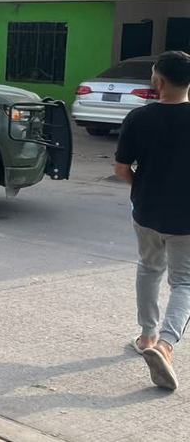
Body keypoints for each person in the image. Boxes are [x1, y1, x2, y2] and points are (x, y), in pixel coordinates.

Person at [114, 50, 190, 391]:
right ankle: (166, 345)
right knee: (184, 283)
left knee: (149, 268)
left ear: (158, 81)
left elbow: (120, 169)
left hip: (146, 212)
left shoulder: (138, 118)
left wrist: (140, 189)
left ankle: (147, 336)